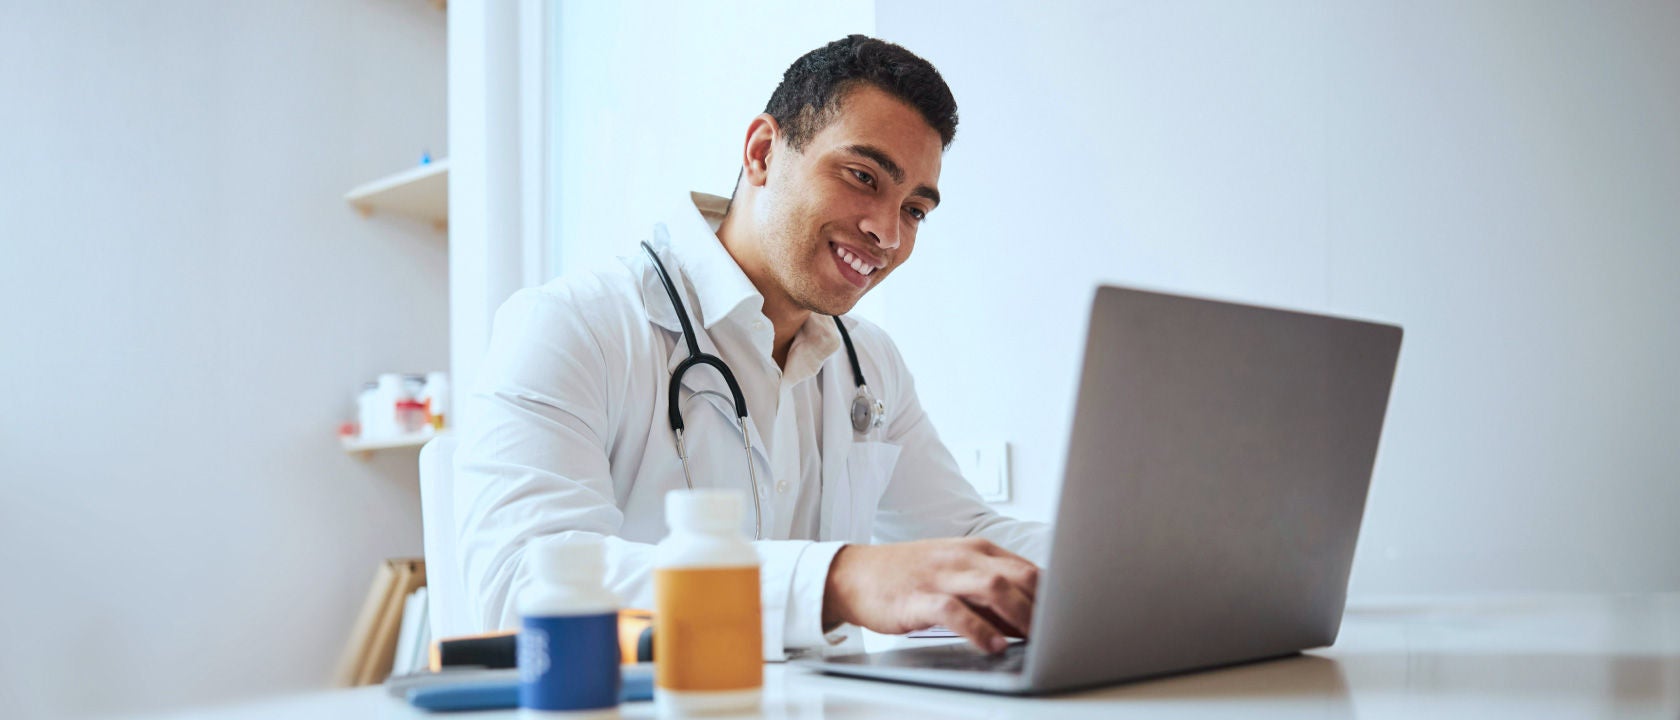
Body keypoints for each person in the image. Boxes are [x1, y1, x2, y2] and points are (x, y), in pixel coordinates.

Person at [454, 35, 1047, 658]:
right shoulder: (574, 326)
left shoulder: (870, 364)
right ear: (762, 152)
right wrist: (835, 580)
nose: (888, 233)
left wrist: (1127, 564)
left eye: (916, 210)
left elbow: (968, 537)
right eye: (863, 176)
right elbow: (521, 583)